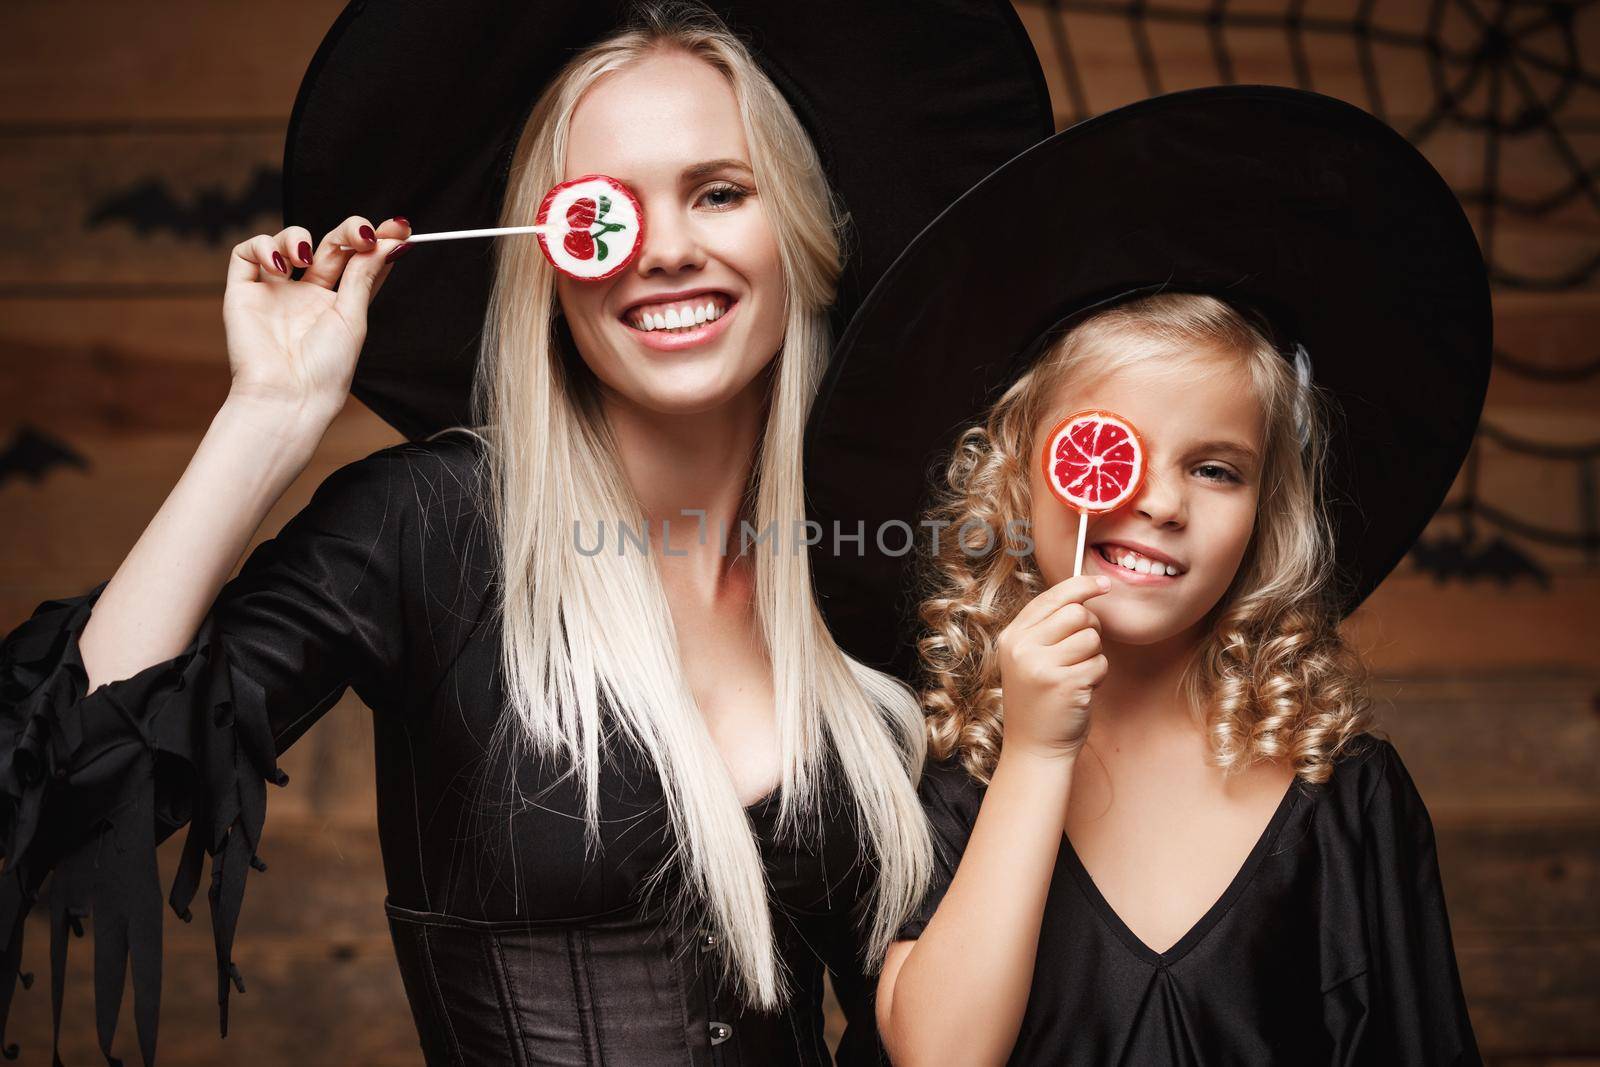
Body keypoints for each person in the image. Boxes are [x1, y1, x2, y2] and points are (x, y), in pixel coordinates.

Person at [0, 2, 1053, 1064]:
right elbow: (72, 801)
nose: (668, 250)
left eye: (720, 192)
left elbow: (942, 1015)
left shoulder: (881, 577)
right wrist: (263, 417)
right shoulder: (433, 531)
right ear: (546, 259)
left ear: (802, 228)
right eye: (604, 211)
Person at [820, 87, 1490, 1064]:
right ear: (1017, 478)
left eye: (1214, 467)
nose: (1164, 502)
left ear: (1264, 513)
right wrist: (1038, 752)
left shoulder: (1343, 796)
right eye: (1113, 450)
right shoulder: (931, 780)